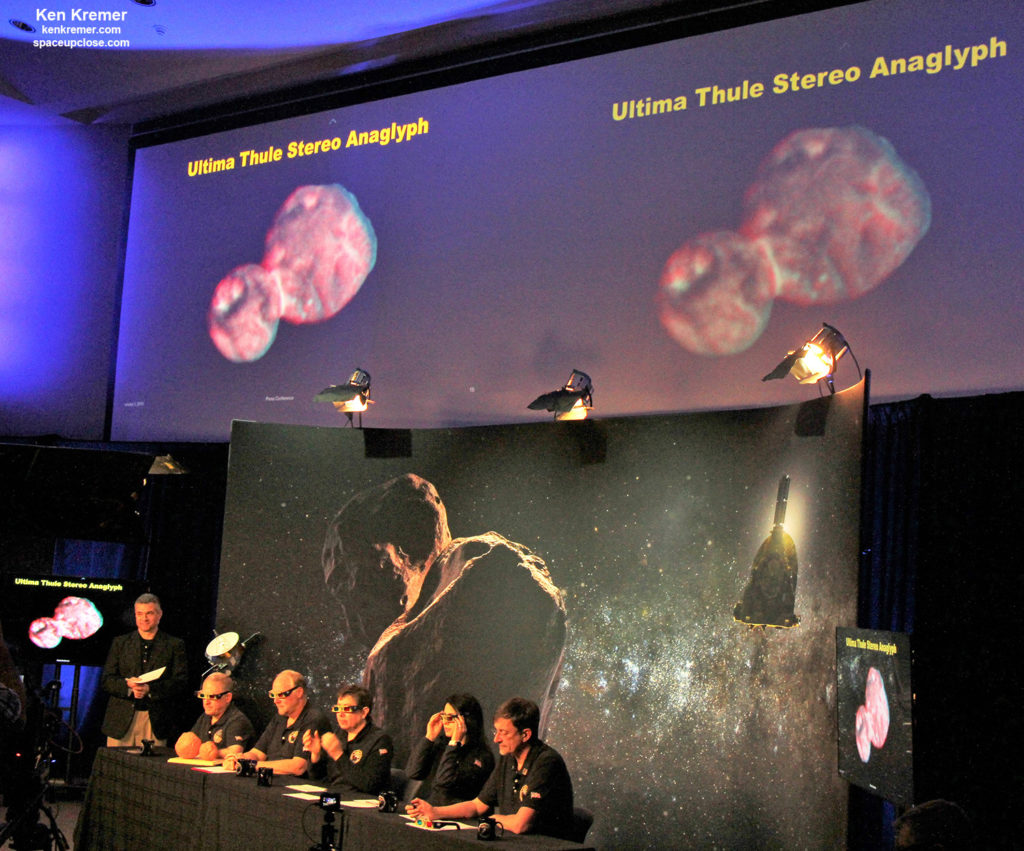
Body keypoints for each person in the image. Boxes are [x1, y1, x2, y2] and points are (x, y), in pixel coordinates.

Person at [407, 697, 573, 840]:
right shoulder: (508, 758)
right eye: (496, 731)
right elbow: (477, 805)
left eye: (503, 732)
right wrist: (435, 812)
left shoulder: (546, 762)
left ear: (525, 735)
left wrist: (492, 818)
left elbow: (520, 825)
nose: (496, 739)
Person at [100, 593, 188, 747]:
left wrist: (150, 689)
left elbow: (180, 682)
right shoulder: (120, 643)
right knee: (116, 762)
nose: (144, 618)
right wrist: (128, 686)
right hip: (121, 721)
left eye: (149, 613)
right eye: (139, 614)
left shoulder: (174, 645)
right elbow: (107, 680)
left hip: (155, 721)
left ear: (159, 615)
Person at [224, 669, 327, 777]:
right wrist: (240, 758)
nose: (275, 701)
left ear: (299, 692)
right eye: (273, 695)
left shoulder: (313, 719)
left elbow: (298, 766)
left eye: (281, 695)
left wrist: (251, 765)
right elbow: (257, 753)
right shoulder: (279, 718)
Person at [404, 693, 494, 805]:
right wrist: (429, 737)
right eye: (443, 717)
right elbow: (413, 772)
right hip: (433, 809)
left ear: (466, 720)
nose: (445, 722)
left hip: (458, 812)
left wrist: (454, 744)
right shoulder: (442, 745)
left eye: (450, 717)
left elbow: (444, 783)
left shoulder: (481, 756)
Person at [304, 683, 393, 796]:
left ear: (364, 712)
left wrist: (338, 755)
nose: (340, 714)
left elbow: (370, 785)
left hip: (361, 802)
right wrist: (316, 755)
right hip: (336, 795)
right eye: (337, 709)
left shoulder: (380, 740)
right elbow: (319, 779)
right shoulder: (339, 734)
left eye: (346, 709)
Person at [174, 672, 254, 758]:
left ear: (227, 697)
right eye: (203, 695)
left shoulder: (237, 720)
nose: (206, 702)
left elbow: (235, 752)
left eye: (212, 696)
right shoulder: (205, 717)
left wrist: (211, 753)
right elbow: (191, 741)